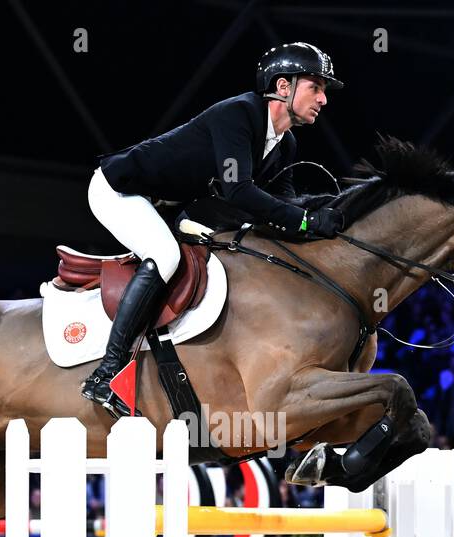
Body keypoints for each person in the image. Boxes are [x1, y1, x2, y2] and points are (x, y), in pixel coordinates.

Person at [80, 41, 346, 415]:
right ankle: (106, 374)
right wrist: (304, 220)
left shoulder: (286, 145)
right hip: (119, 188)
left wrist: (322, 218)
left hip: (165, 205)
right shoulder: (238, 114)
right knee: (166, 256)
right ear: (283, 87)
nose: (323, 99)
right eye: (315, 87)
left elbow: (285, 207)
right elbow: (238, 189)